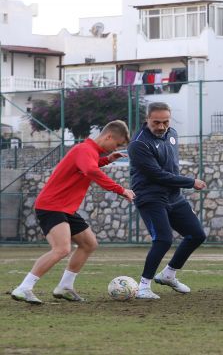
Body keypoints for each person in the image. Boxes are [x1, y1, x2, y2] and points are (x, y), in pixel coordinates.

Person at [11, 120, 135, 304]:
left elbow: (88, 166)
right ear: (108, 136)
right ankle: (24, 288)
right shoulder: (83, 150)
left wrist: (107, 160)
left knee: (89, 243)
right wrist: (121, 189)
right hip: (51, 205)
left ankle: (65, 287)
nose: (114, 148)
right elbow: (90, 170)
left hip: (65, 208)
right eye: (116, 144)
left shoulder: (90, 152)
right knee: (61, 249)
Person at [128, 102, 207, 300]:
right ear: (147, 120)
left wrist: (181, 186)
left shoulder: (172, 134)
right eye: (156, 122)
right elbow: (157, 175)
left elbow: (171, 167)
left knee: (196, 235)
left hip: (173, 196)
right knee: (163, 239)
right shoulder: (139, 144)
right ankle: (143, 287)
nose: (161, 126)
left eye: (165, 122)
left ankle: (169, 274)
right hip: (150, 196)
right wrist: (191, 182)